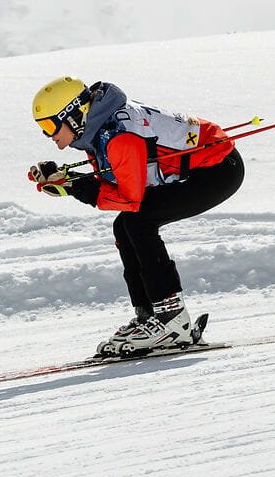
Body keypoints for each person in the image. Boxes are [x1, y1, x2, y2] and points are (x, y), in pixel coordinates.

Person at [29, 77, 245, 357]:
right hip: (200, 167)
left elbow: (131, 199)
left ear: (73, 115)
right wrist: (68, 179)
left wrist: (75, 187)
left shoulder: (118, 136)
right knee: (125, 226)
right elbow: (117, 181)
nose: (49, 135)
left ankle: (171, 319)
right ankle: (150, 316)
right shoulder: (99, 127)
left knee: (138, 221)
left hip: (217, 169)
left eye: (49, 126)